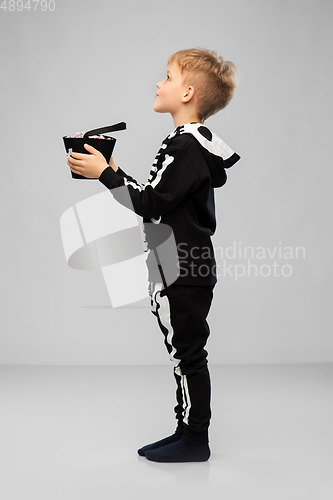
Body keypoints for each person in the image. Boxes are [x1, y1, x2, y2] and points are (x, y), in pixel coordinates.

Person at [67, 48, 240, 462]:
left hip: (182, 265)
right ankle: (186, 431)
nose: (159, 83)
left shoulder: (187, 147)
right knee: (184, 353)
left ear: (189, 93)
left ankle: (196, 439)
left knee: (188, 355)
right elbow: (156, 198)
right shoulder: (189, 145)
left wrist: (105, 175)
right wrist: (110, 168)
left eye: (168, 77)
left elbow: (147, 203)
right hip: (176, 262)